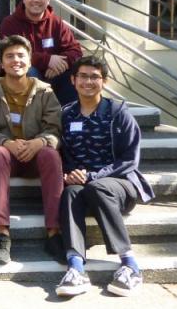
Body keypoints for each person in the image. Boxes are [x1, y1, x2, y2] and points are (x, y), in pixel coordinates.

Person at [55, 56, 154, 298]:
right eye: (83, 76)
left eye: (94, 77)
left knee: (98, 187)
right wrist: (69, 174)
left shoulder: (118, 112)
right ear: (73, 80)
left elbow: (130, 159)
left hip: (119, 184)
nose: (88, 82)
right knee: (69, 193)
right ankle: (76, 267)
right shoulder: (66, 115)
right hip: (84, 183)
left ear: (104, 81)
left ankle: (130, 264)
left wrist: (92, 175)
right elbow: (63, 153)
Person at [0, 35, 64, 265]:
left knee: (51, 153)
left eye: (20, 55)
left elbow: (55, 130)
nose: (15, 60)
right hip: (8, 156)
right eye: (9, 56)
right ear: (1, 62)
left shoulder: (45, 91)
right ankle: (1, 233)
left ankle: (54, 232)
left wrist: (39, 142)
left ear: (29, 61)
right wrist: (6, 143)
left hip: (35, 155)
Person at [0, 0, 82, 106]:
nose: (36, 0)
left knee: (74, 73)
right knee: (29, 72)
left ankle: (68, 118)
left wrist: (60, 64)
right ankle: (34, 120)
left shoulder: (56, 23)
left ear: (48, 0)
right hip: (24, 76)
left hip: (53, 76)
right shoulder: (10, 23)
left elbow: (75, 51)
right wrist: (48, 60)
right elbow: (11, 54)